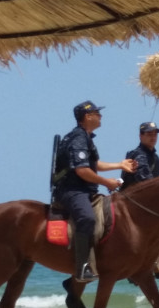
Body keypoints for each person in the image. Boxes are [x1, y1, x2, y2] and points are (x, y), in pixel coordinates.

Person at [54, 100, 137, 282]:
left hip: (83, 189)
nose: (101, 116)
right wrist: (107, 182)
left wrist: (119, 164)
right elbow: (82, 171)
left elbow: (93, 165)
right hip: (73, 190)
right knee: (87, 218)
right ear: (88, 116)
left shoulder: (85, 137)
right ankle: (82, 267)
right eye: (97, 113)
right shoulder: (78, 138)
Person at [121, 121, 159, 190]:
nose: (153, 138)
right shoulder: (137, 154)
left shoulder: (156, 158)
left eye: (155, 134)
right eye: (149, 134)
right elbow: (145, 179)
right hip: (132, 195)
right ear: (141, 136)